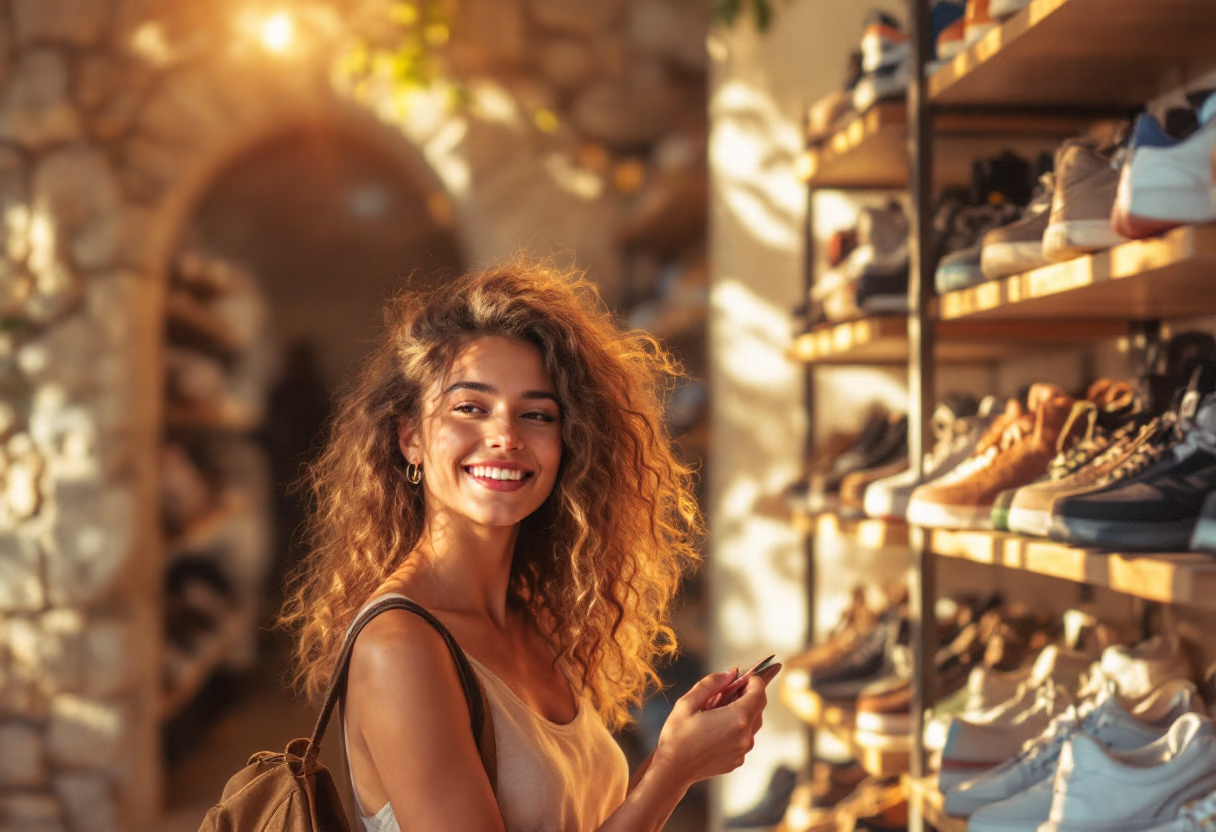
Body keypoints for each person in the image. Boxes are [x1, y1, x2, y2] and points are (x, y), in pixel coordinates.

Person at [280, 260, 772, 831]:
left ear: (569, 447)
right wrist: (671, 772)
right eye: (470, 407)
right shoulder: (399, 648)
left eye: (536, 414)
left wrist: (679, 757)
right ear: (410, 437)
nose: (506, 436)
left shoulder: (533, 613)